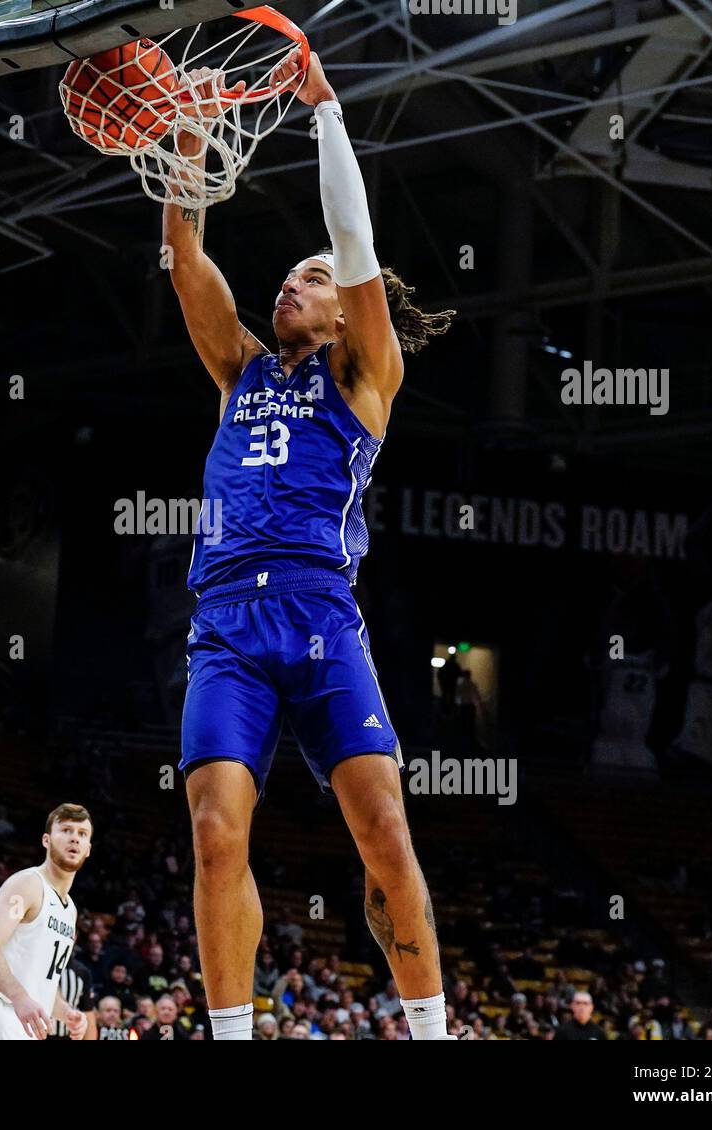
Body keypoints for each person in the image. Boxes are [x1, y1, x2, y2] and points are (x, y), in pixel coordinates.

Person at [160, 51, 454, 1041]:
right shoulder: (239, 369)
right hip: (228, 622)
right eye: (288, 273)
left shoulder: (367, 371)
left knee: (382, 833)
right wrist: (186, 156)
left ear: (346, 309)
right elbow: (188, 261)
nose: (295, 278)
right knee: (211, 833)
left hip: (323, 613)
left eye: (313, 277)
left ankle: (430, 1026)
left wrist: (324, 112)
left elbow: (352, 239)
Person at [0, 804, 92, 1040]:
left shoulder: (70, 910)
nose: (74, 839)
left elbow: (43, 980)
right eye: (66, 830)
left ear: (88, 849)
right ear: (46, 840)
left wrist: (66, 1012)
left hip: (27, 1025)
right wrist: (19, 997)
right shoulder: (27, 885)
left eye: (82, 834)